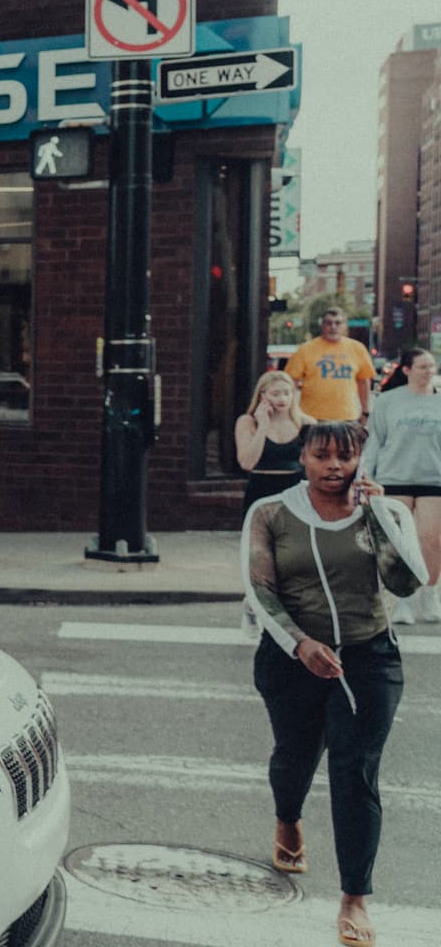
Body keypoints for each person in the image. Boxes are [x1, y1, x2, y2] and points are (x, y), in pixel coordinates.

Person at [241, 422, 437, 947]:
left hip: (368, 659)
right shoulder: (270, 513)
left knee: (355, 773)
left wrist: (376, 517)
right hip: (292, 660)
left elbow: (406, 583)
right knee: (295, 757)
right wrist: (300, 644)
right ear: (302, 456)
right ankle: (287, 818)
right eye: (322, 455)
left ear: (359, 459)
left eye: (345, 457)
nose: (335, 466)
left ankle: (354, 898)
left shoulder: (385, 511)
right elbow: (259, 589)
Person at [359, 347, 441, 623]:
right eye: (422, 367)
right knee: (398, 542)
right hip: (393, 478)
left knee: (432, 540)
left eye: (432, 366)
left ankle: (429, 594)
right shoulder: (388, 401)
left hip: (434, 479)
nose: (429, 371)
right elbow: (374, 441)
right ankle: (401, 599)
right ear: (406, 370)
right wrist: (365, 474)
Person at [236, 369, 312, 509]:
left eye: (287, 393)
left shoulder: (306, 423)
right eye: (275, 394)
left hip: (295, 489)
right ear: (262, 396)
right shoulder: (248, 422)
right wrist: (263, 426)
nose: (282, 399)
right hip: (261, 489)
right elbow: (247, 463)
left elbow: (314, 464)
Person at [286, 309, 376, 424]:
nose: (333, 327)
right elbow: (291, 381)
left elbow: (363, 381)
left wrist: (365, 411)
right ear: (322, 325)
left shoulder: (357, 348)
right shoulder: (305, 349)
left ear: (345, 326)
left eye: (338, 323)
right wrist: (291, 411)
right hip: (312, 418)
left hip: (347, 417)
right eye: (328, 323)